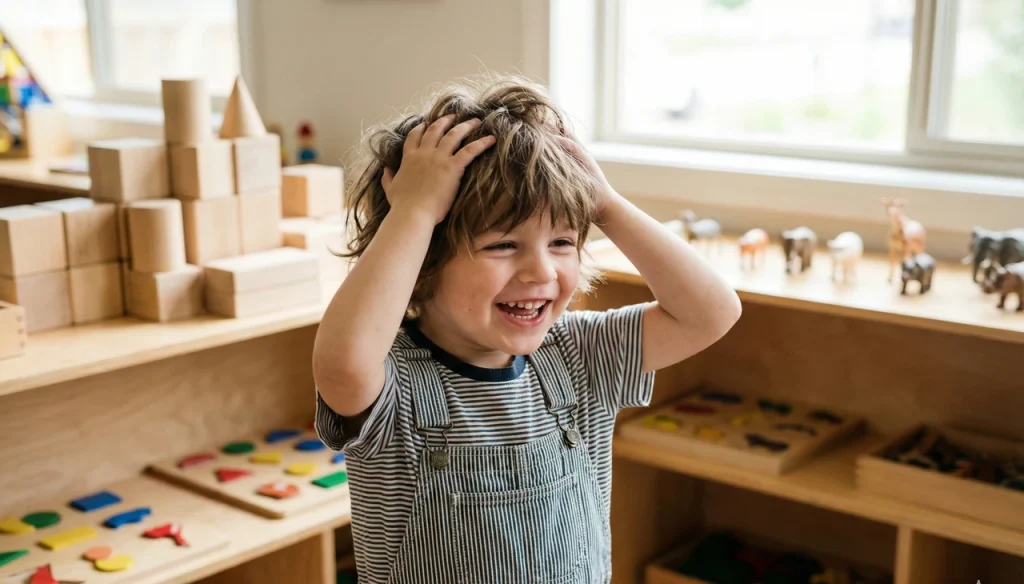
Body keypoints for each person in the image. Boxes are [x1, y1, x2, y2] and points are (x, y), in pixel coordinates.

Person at [312, 74, 741, 584]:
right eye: (503, 245)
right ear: (420, 262)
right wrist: (415, 209)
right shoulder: (394, 385)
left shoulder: (579, 355)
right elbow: (342, 363)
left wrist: (603, 202)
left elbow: (712, 313)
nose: (541, 272)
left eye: (561, 242)